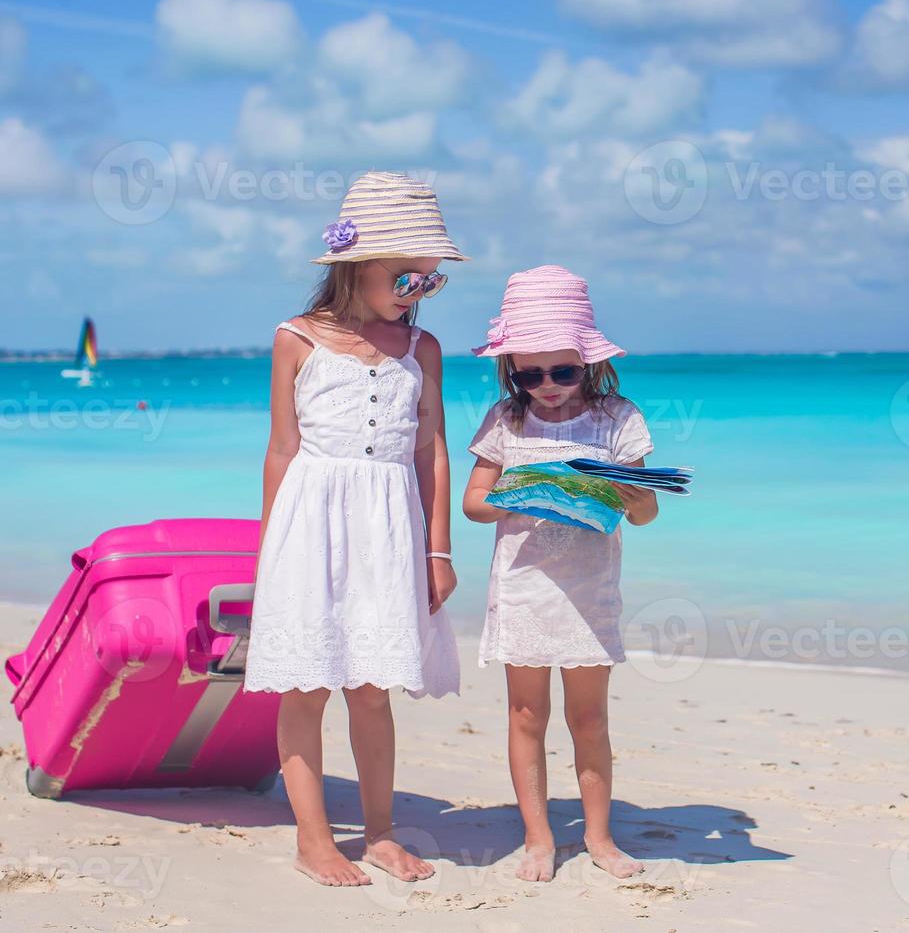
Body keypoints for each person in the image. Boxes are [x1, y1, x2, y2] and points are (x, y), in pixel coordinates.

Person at [244, 171, 463, 887]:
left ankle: (379, 833)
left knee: (373, 686)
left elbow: (431, 450)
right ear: (355, 267)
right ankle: (313, 839)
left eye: (430, 283)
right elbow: (282, 449)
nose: (416, 292)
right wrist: (271, 549)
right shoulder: (296, 339)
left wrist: (438, 549)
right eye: (408, 277)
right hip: (311, 524)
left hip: (389, 528)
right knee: (306, 685)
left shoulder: (421, 350)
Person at [462, 264, 658, 882]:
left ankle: (599, 837)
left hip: (588, 587)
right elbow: (472, 503)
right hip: (524, 583)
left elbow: (647, 512)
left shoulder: (616, 418)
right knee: (526, 714)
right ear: (511, 370)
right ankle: (539, 838)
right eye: (530, 373)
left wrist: (623, 490)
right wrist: (527, 494)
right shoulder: (506, 420)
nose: (547, 385)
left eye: (563, 371)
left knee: (590, 717)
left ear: (588, 364)